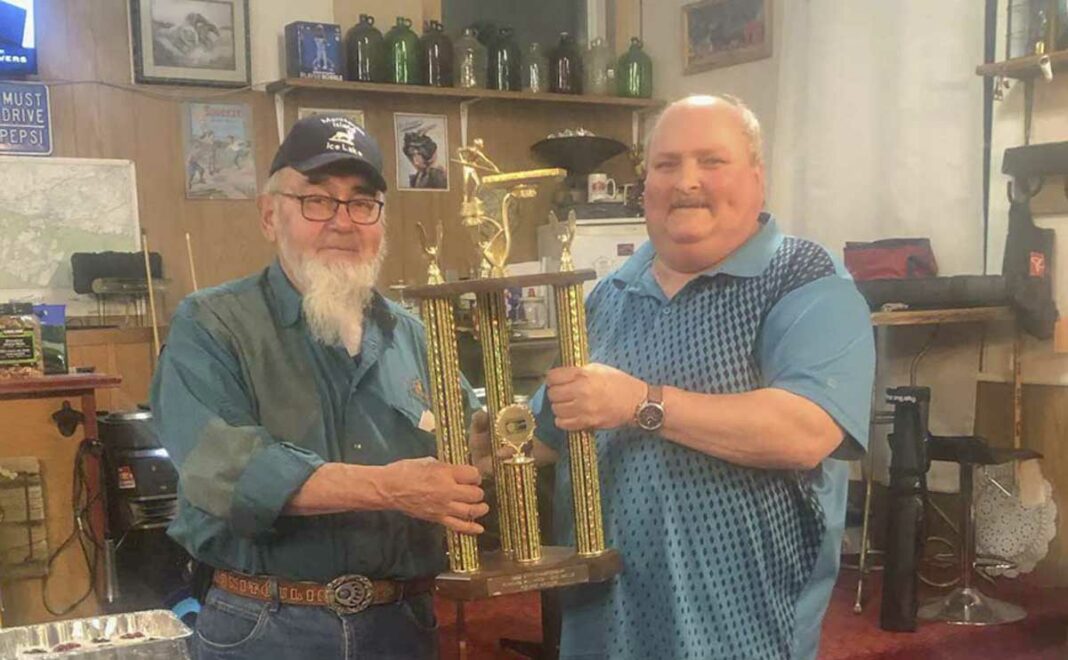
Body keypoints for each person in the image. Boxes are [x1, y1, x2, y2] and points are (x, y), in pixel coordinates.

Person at [478, 95, 876, 659]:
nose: (686, 181)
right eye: (666, 165)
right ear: (645, 185)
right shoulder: (609, 295)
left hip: (741, 630)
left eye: (712, 161)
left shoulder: (806, 280)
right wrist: (487, 439)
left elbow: (804, 431)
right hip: (604, 621)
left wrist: (641, 403)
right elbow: (552, 426)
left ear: (757, 178)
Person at [152, 114, 487, 660]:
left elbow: (473, 449)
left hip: (402, 626)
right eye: (317, 200)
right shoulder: (214, 324)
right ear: (269, 215)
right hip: (265, 628)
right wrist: (391, 488)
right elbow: (229, 472)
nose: (342, 221)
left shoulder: (416, 337)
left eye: (361, 202)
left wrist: (549, 415)